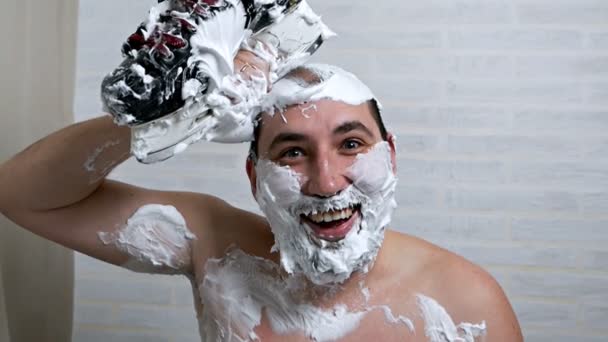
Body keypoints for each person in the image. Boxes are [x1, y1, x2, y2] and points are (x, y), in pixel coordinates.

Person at [0, 4, 522, 342]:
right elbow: (22, 194)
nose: (326, 181)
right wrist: (166, 118)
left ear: (391, 157)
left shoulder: (464, 302)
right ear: (254, 177)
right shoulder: (215, 245)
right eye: (292, 153)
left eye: (352, 144)